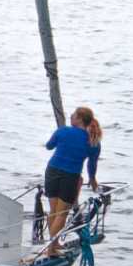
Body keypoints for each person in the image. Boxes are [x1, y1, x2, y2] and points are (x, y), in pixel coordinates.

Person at [43, 105, 102, 252]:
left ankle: (53, 244)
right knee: (61, 214)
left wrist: (60, 140)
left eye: (73, 115)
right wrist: (93, 180)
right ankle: (51, 247)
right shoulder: (93, 142)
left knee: (54, 211)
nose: (71, 117)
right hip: (70, 176)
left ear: (79, 119)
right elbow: (92, 165)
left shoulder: (63, 131)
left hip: (52, 171)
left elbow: (49, 146)